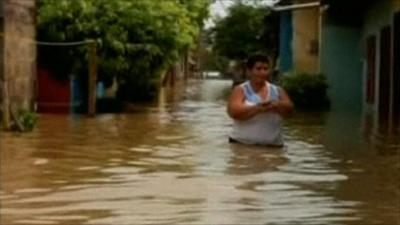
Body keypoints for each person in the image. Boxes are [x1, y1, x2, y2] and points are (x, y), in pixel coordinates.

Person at [227, 53, 294, 147]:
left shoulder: (278, 91)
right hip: (243, 146)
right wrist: (259, 108)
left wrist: (276, 105)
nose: (263, 72)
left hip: (273, 148)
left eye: (266, 69)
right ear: (249, 71)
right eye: (258, 69)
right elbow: (234, 112)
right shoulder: (240, 90)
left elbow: (290, 111)